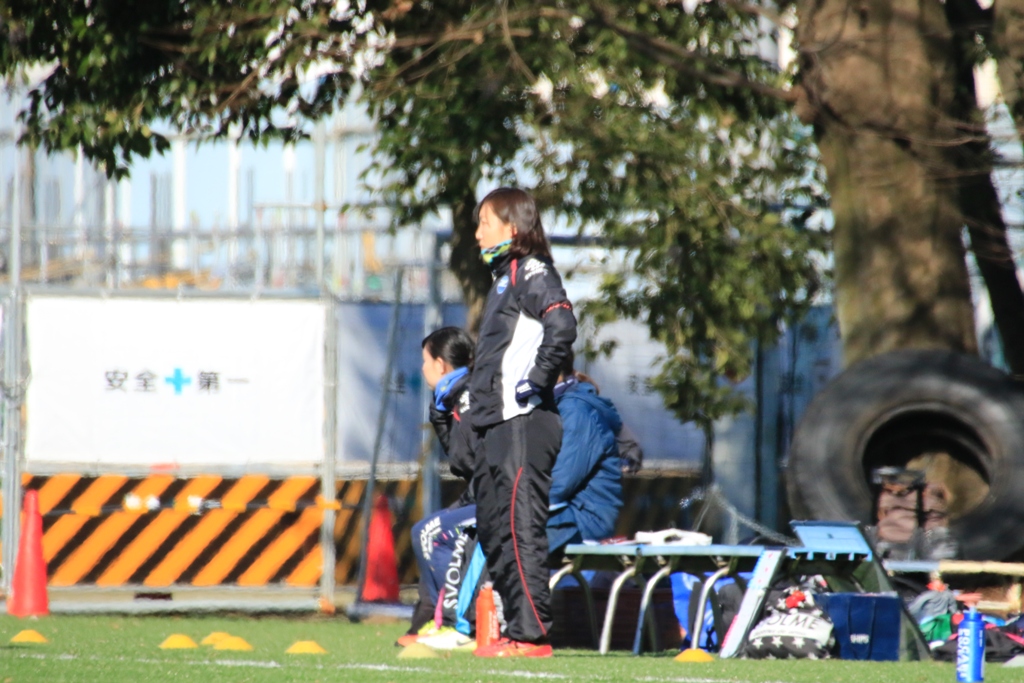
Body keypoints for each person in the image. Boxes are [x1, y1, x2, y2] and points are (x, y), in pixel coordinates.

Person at [468, 187, 576, 658]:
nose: (477, 234)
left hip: (524, 422)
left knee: (519, 529)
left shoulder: (531, 271)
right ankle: (514, 630)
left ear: (512, 229)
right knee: (494, 530)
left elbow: (562, 323)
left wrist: (537, 378)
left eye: (484, 223)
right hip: (496, 425)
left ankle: (532, 636)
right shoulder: (501, 279)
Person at [402, 327, 478, 645]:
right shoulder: (453, 396)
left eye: (425, 360)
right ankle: (430, 622)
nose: (422, 368)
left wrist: (441, 415)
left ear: (441, 365)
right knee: (426, 532)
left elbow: (466, 461)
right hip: (479, 493)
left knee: (429, 533)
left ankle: (454, 622)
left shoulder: (467, 396)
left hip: (494, 496)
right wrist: (439, 412)